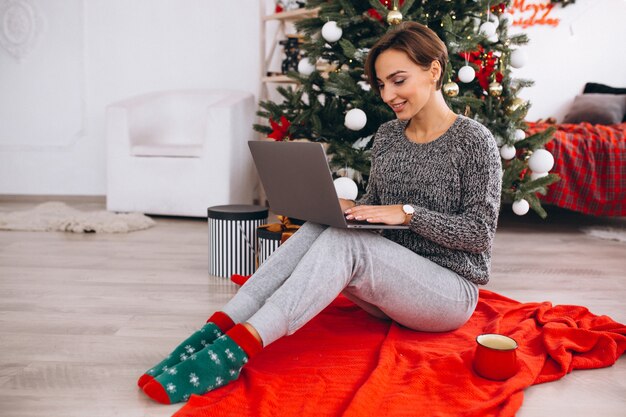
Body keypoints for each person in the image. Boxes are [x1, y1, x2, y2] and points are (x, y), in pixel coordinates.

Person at [138, 21, 502, 404]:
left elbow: (479, 234)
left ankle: (240, 348)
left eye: (398, 80)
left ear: (433, 71)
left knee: (349, 248)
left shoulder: (474, 142)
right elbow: (380, 204)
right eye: (381, 85)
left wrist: (409, 214)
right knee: (321, 225)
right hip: (392, 290)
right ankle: (218, 329)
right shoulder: (389, 136)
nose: (388, 95)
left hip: (448, 294)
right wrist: (354, 209)